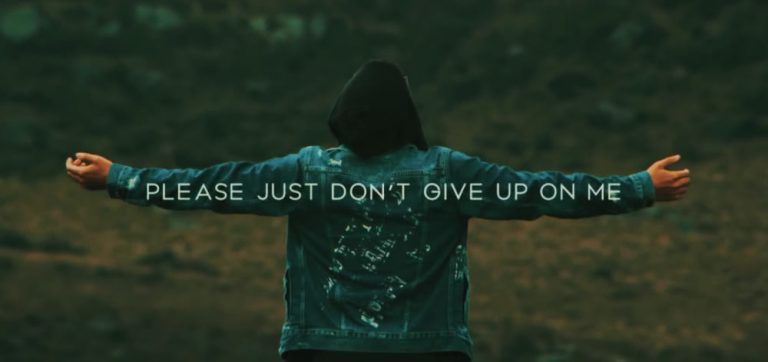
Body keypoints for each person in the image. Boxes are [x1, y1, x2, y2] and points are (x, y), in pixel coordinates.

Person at [65, 60, 690, 362]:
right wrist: (637, 187)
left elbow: (212, 186)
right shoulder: (449, 177)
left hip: (320, 349)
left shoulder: (306, 175)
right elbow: (542, 193)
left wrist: (118, 177)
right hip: (429, 350)